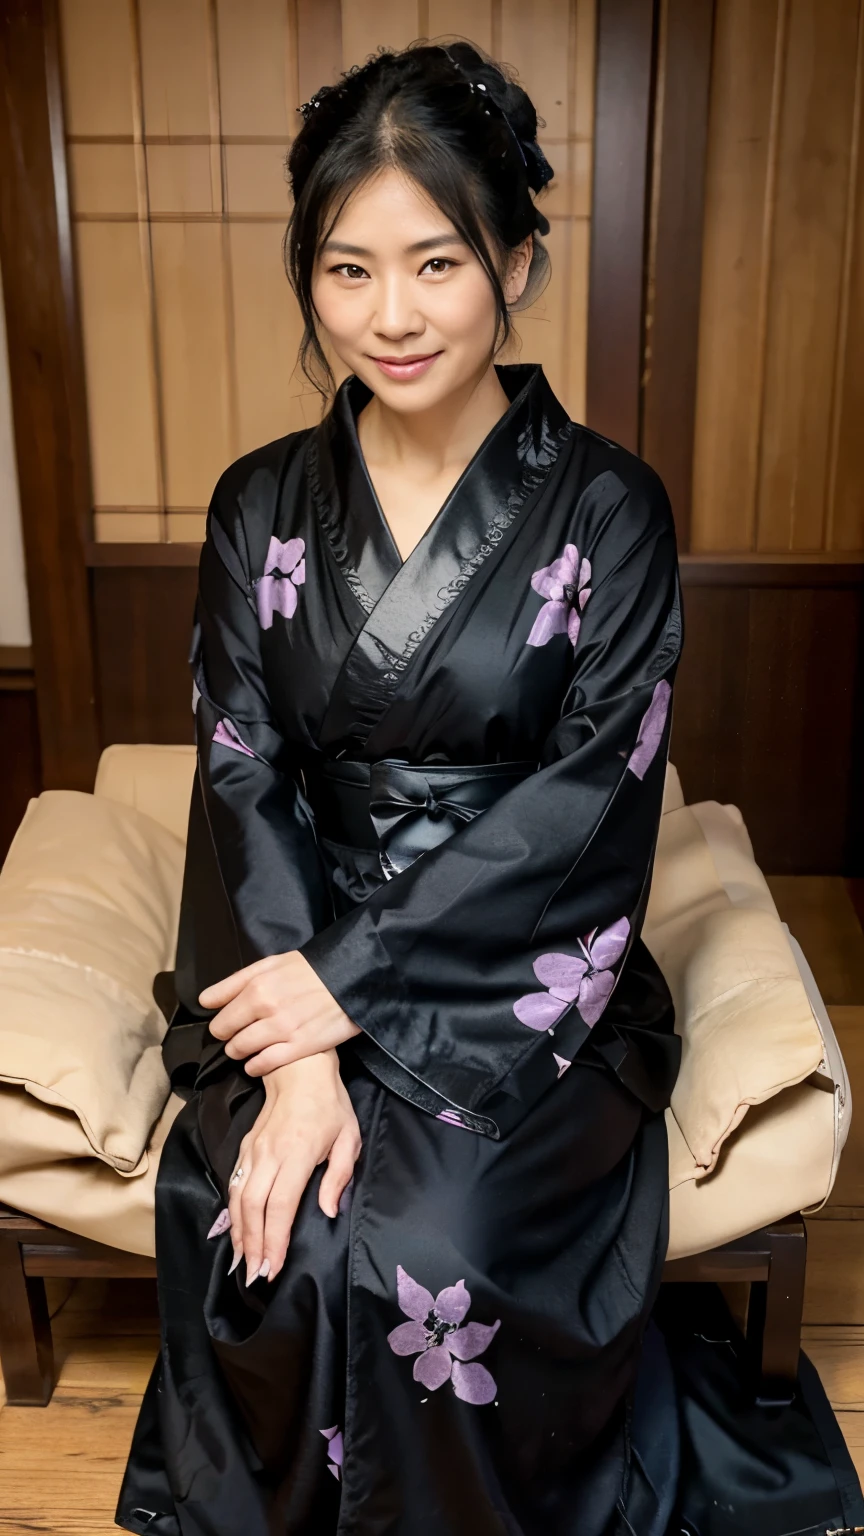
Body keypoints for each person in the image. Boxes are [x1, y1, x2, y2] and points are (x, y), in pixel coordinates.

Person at [116, 39, 863, 1536]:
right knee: (291, 1231)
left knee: (426, 1245)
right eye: (345, 271)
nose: (388, 317)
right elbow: (243, 763)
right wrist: (300, 1041)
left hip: (521, 962)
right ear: (309, 281)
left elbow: (596, 795)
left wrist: (360, 983)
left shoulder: (607, 507)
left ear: (515, 259)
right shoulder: (259, 502)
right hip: (287, 928)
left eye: (438, 262)